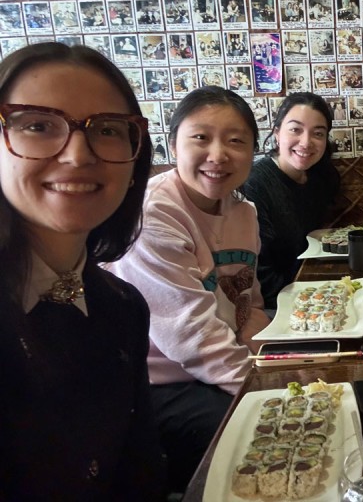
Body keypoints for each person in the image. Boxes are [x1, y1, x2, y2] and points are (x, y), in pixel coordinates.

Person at [0, 42, 164, 498]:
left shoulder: (123, 307)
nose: (77, 154)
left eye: (108, 129)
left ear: (135, 162)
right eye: (37, 125)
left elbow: (141, 476)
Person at [106, 86, 269, 492]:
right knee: (259, 437)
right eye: (201, 137)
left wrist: (273, 359)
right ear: (173, 143)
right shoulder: (153, 213)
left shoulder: (244, 211)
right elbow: (191, 338)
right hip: (159, 385)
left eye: (236, 141)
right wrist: (264, 388)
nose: (218, 154)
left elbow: (249, 300)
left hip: (220, 365)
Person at [244, 93, 340, 314]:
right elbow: (258, 271)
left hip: (308, 286)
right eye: (295, 129)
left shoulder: (318, 178)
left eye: (318, 133)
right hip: (274, 305)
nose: (306, 142)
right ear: (277, 133)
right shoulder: (255, 184)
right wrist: (308, 302)